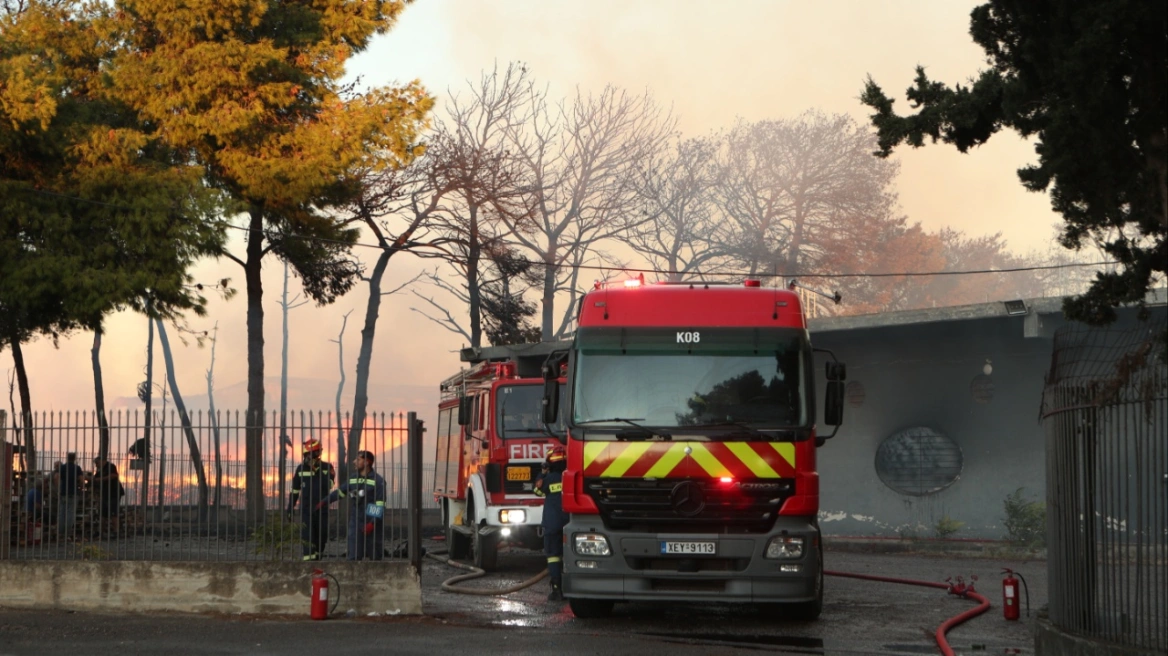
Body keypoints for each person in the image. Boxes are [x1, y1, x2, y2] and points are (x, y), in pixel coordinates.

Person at [318, 450, 386, 560]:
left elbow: (380, 504)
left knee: (375, 556)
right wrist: (325, 501)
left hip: (371, 523)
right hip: (356, 521)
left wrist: (372, 523)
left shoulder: (378, 481)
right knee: (353, 556)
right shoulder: (353, 478)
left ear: (367, 462)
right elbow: (340, 492)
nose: (354, 462)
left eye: (358, 459)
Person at [287, 438, 335, 561]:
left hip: (322, 509)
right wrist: (290, 507)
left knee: (322, 535)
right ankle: (308, 562)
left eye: (312, 454)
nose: (309, 457)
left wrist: (317, 471)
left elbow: (329, 485)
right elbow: (295, 490)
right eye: (307, 454)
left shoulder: (327, 467)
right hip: (306, 509)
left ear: (318, 453)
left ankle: (318, 557)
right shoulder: (300, 469)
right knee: (307, 537)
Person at [534, 444, 568, 601]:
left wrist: (541, 474)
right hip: (570, 523)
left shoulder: (548, 479)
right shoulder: (571, 476)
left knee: (553, 556)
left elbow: (537, 491)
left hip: (553, 524)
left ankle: (557, 590)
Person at [91, 455, 122, 538]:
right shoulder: (100, 471)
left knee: (113, 512)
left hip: (114, 493)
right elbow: (95, 479)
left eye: (97, 463)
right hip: (105, 493)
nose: (96, 465)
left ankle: (116, 532)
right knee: (103, 513)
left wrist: (100, 479)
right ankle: (100, 531)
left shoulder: (110, 466)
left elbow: (114, 476)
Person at [56, 453, 84, 540]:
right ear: (74, 458)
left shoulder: (62, 467)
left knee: (61, 513)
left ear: (67, 458)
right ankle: (67, 534)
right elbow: (82, 480)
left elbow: (56, 477)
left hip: (63, 493)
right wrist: (81, 487)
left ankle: (60, 533)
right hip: (73, 493)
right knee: (70, 514)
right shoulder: (77, 468)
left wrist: (59, 488)